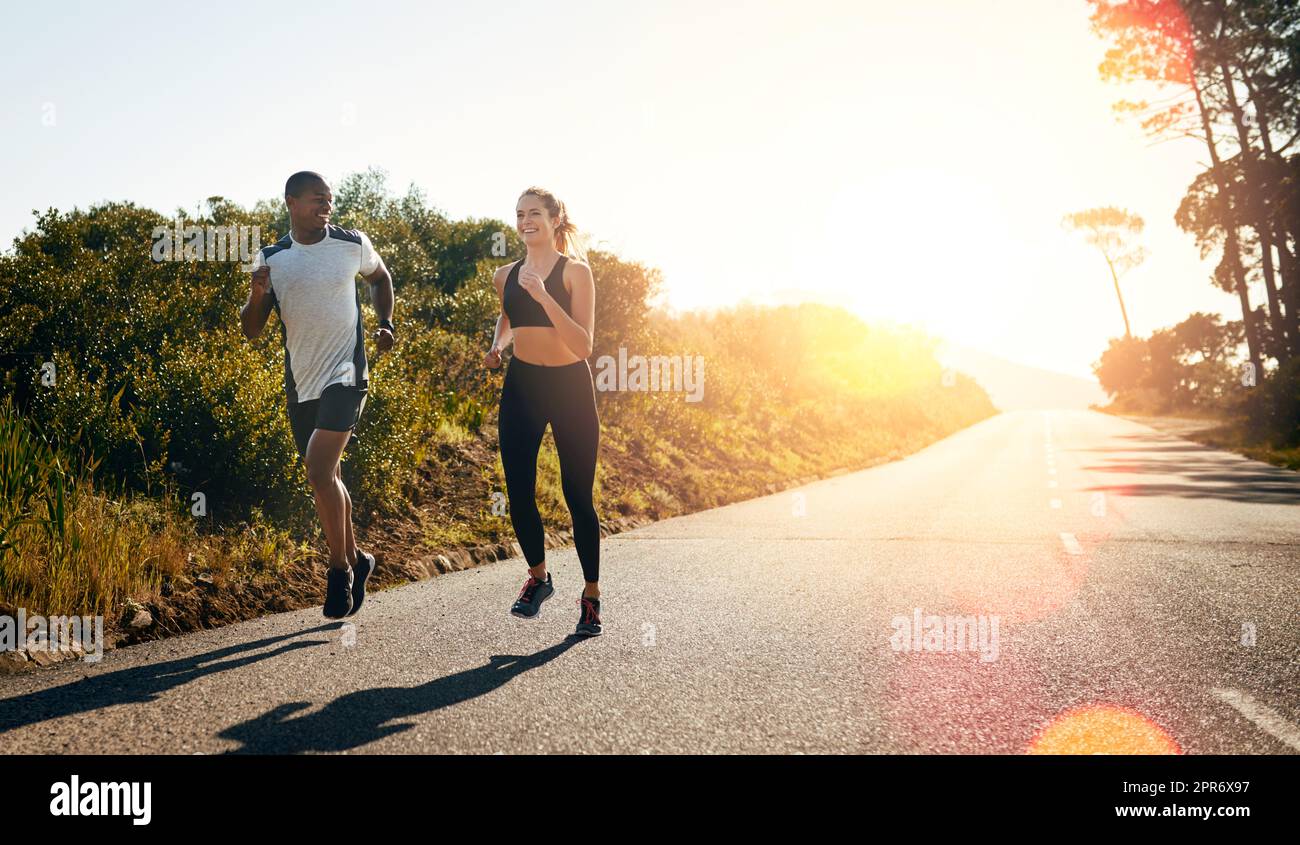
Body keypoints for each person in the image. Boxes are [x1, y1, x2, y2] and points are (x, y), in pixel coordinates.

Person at [240, 171, 396, 619]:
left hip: (347, 372)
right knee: (328, 478)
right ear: (291, 201)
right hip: (301, 383)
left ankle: (338, 572)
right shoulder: (272, 258)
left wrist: (386, 324)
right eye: (316, 200)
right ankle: (359, 559)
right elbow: (252, 331)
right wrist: (256, 294)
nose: (326, 206)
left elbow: (380, 278)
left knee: (319, 468)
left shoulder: (351, 243)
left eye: (329, 200)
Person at [484, 187, 603, 636]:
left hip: (569, 387)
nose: (525, 220)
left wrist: (544, 296)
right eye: (519, 214)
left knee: (578, 496)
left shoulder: (576, 273)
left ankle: (591, 596)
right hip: (523, 385)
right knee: (518, 490)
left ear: (555, 220)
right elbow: (509, 315)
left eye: (534, 213)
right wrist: (498, 345)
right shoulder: (504, 275)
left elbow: (583, 345)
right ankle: (538, 578)